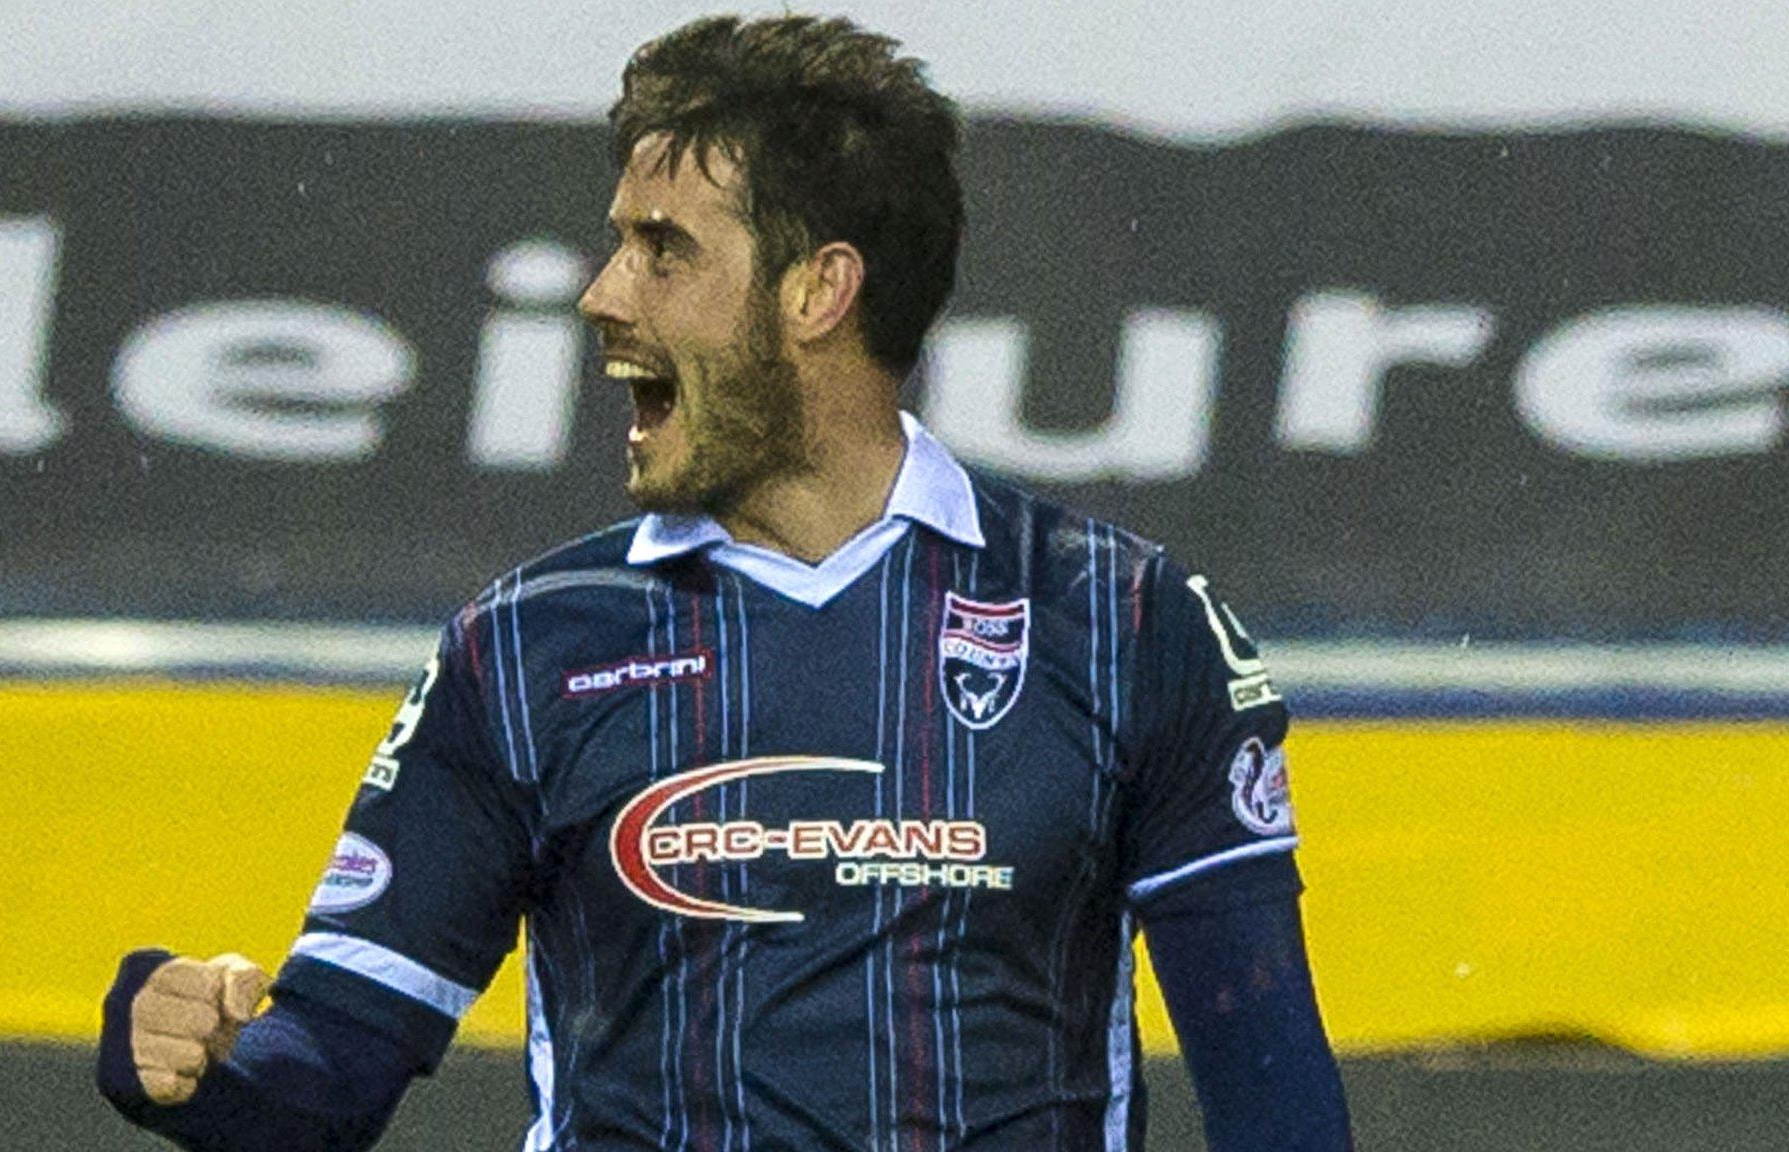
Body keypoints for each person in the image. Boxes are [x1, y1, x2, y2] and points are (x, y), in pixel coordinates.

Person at [96, 14, 1353, 1151]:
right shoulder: (521, 651)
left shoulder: (1126, 624)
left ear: (819, 289)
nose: (598, 298)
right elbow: (321, 1082)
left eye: (662, 251)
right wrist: (188, 1062)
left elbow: (1272, 1095)